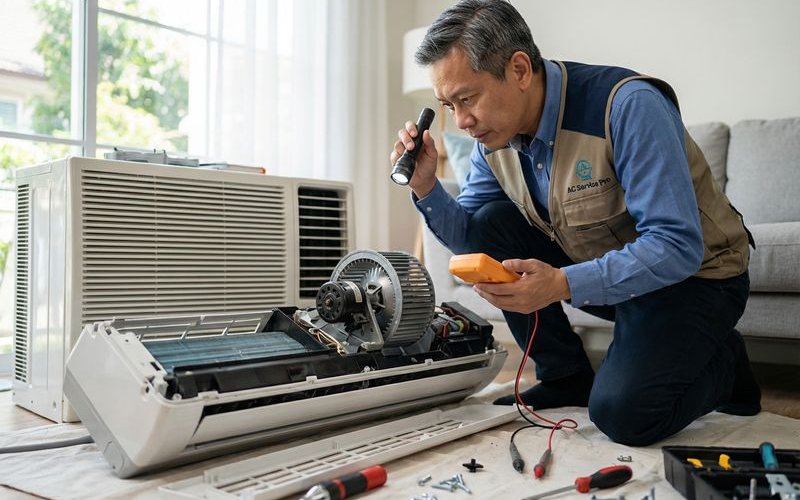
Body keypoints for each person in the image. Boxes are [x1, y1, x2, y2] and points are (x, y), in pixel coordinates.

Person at [389, 0, 760, 446]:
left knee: (623, 415)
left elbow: (677, 246)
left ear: (519, 70)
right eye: (448, 105)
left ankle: (726, 362)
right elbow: (473, 237)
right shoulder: (493, 139)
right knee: (491, 223)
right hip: (613, 275)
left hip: (698, 279)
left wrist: (561, 283)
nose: (462, 121)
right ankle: (565, 376)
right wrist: (426, 186)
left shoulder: (628, 106)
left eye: (467, 99)